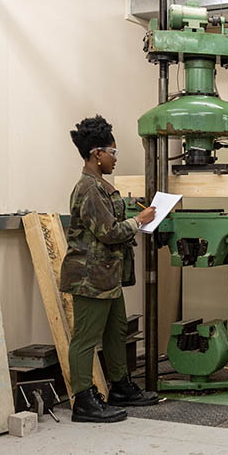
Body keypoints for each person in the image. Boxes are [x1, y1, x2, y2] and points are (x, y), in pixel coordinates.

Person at [60, 115, 159, 423]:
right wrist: (138, 222)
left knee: (117, 331)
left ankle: (120, 386)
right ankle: (83, 400)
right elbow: (109, 232)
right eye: (112, 152)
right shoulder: (88, 189)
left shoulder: (102, 186)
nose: (116, 158)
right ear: (96, 153)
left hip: (108, 275)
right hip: (90, 277)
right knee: (86, 338)